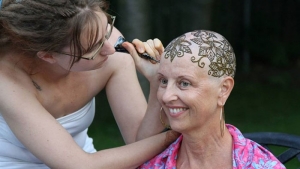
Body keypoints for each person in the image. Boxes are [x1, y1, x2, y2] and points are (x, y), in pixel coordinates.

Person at [0, 0, 178, 168]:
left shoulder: (110, 43)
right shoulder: (7, 81)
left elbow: (138, 143)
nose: (110, 49)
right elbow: (80, 165)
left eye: (107, 28)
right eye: (94, 48)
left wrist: (158, 82)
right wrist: (177, 134)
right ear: (48, 55)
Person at [137, 30, 286, 169]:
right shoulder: (153, 163)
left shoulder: (261, 165)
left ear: (223, 89)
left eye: (184, 83)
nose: (166, 96)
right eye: (163, 81)